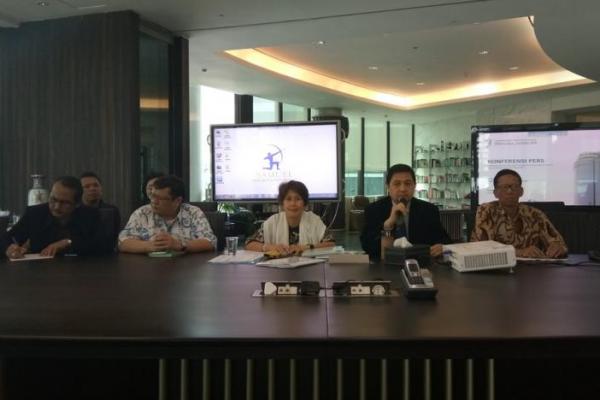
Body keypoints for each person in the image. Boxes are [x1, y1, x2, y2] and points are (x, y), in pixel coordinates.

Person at [2, 176, 113, 258]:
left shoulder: (90, 215)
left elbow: (105, 245)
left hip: (81, 273)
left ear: (77, 204)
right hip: (40, 272)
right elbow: (7, 238)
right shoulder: (35, 213)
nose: (56, 207)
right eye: (53, 199)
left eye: (65, 203)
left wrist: (68, 242)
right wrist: (9, 248)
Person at [360, 163, 451, 260]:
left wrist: (442, 247)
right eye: (397, 184)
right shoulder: (373, 210)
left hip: (419, 264)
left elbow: (445, 241)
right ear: (388, 187)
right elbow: (367, 247)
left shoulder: (429, 210)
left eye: (407, 184)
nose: (402, 189)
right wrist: (387, 227)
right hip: (385, 265)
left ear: (414, 186)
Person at [471, 169, 567, 258]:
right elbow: (481, 248)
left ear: (521, 191)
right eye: (505, 187)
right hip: (497, 268)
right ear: (495, 193)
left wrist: (557, 247)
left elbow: (558, 242)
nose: (510, 191)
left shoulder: (535, 214)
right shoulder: (486, 211)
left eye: (514, 187)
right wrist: (519, 252)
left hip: (533, 268)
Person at [119, 175, 216, 253]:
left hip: (186, 268)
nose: (154, 201)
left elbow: (210, 242)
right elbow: (123, 242)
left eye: (160, 198)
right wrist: (149, 246)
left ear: (177, 201)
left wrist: (181, 245)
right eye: (153, 196)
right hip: (150, 267)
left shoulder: (193, 213)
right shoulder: (142, 213)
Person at [245, 180, 335, 254]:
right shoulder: (273, 221)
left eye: (298, 199)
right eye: (288, 199)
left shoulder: (314, 220)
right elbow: (249, 244)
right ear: (282, 204)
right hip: (277, 268)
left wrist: (306, 247)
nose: (293, 203)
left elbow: (331, 244)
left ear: (304, 204)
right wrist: (269, 247)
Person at [80, 171, 122, 247]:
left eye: (96, 185)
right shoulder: (74, 211)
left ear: (101, 188)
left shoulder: (112, 211)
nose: (92, 189)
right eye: (87, 186)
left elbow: (117, 237)